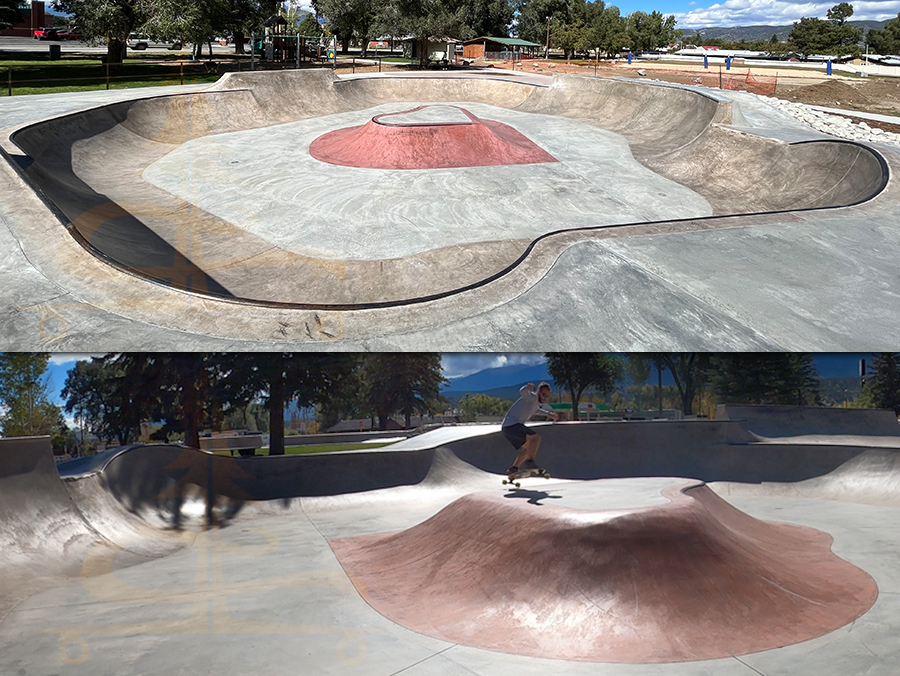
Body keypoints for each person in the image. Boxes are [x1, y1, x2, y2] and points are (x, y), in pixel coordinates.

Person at [501, 382, 558, 476]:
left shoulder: (535, 403)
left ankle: (513, 469)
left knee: (528, 449)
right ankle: (530, 462)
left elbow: (536, 410)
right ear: (538, 391)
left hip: (507, 428)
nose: (544, 398)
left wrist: (549, 414)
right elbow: (522, 392)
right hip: (513, 425)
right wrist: (527, 387)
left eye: (547, 396)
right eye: (543, 394)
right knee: (536, 438)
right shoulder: (533, 397)